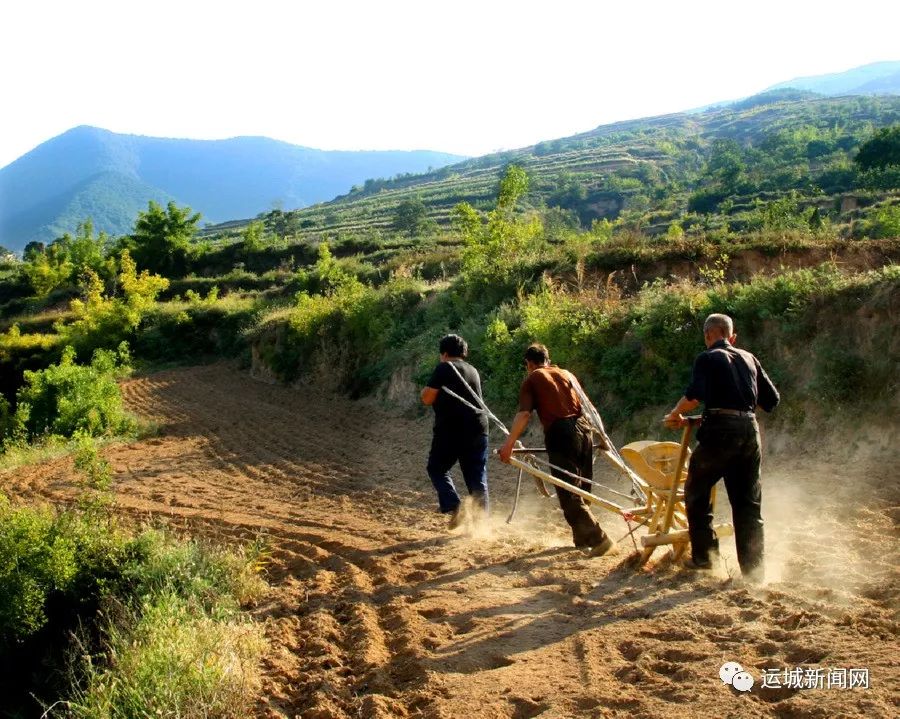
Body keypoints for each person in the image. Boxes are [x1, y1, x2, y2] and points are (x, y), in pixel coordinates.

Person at [664, 313, 780, 581]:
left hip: (720, 433)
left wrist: (675, 414)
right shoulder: (750, 358)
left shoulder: (707, 357)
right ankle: (755, 571)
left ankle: (705, 558)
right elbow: (771, 401)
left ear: (708, 335)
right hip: (750, 433)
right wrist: (740, 409)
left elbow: (693, 396)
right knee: (748, 504)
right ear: (732, 336)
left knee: (696, 491)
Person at [499, 344, 612, 555]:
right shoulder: (566, 374)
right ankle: (582, 538)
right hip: (584, 429)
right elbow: (588, 406)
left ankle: (599, 539)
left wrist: (509, 445)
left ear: (529, 363)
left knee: (568, 492)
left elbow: (524, 415)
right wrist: (601, 436)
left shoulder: (533, 378)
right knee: (581, 489)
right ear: (547, 359)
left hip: (561, 433)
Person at [421, 334, 489, 528]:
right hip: (478, 429)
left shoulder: (444, 367)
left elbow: (427, 398)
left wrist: (423, 392)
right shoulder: (473, 370)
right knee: (476, 477)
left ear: (444, 353)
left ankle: (454, 505)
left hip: (451, 430)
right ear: (464, 352)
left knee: (436, 468)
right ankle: (482, 524)